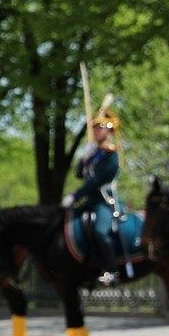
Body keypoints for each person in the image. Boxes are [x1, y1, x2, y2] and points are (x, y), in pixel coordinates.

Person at [63, 106, 125, 270]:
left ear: (109, 132)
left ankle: (112, 270)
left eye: (100, 127)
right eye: (95, 128)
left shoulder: (112, 156)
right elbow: (80, 174)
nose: (96, 131)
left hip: (104, 201)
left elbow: (96, 181)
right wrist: (83, 159)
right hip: (90, 200)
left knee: (100, 231)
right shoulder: (94, 153)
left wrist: (75, 196)